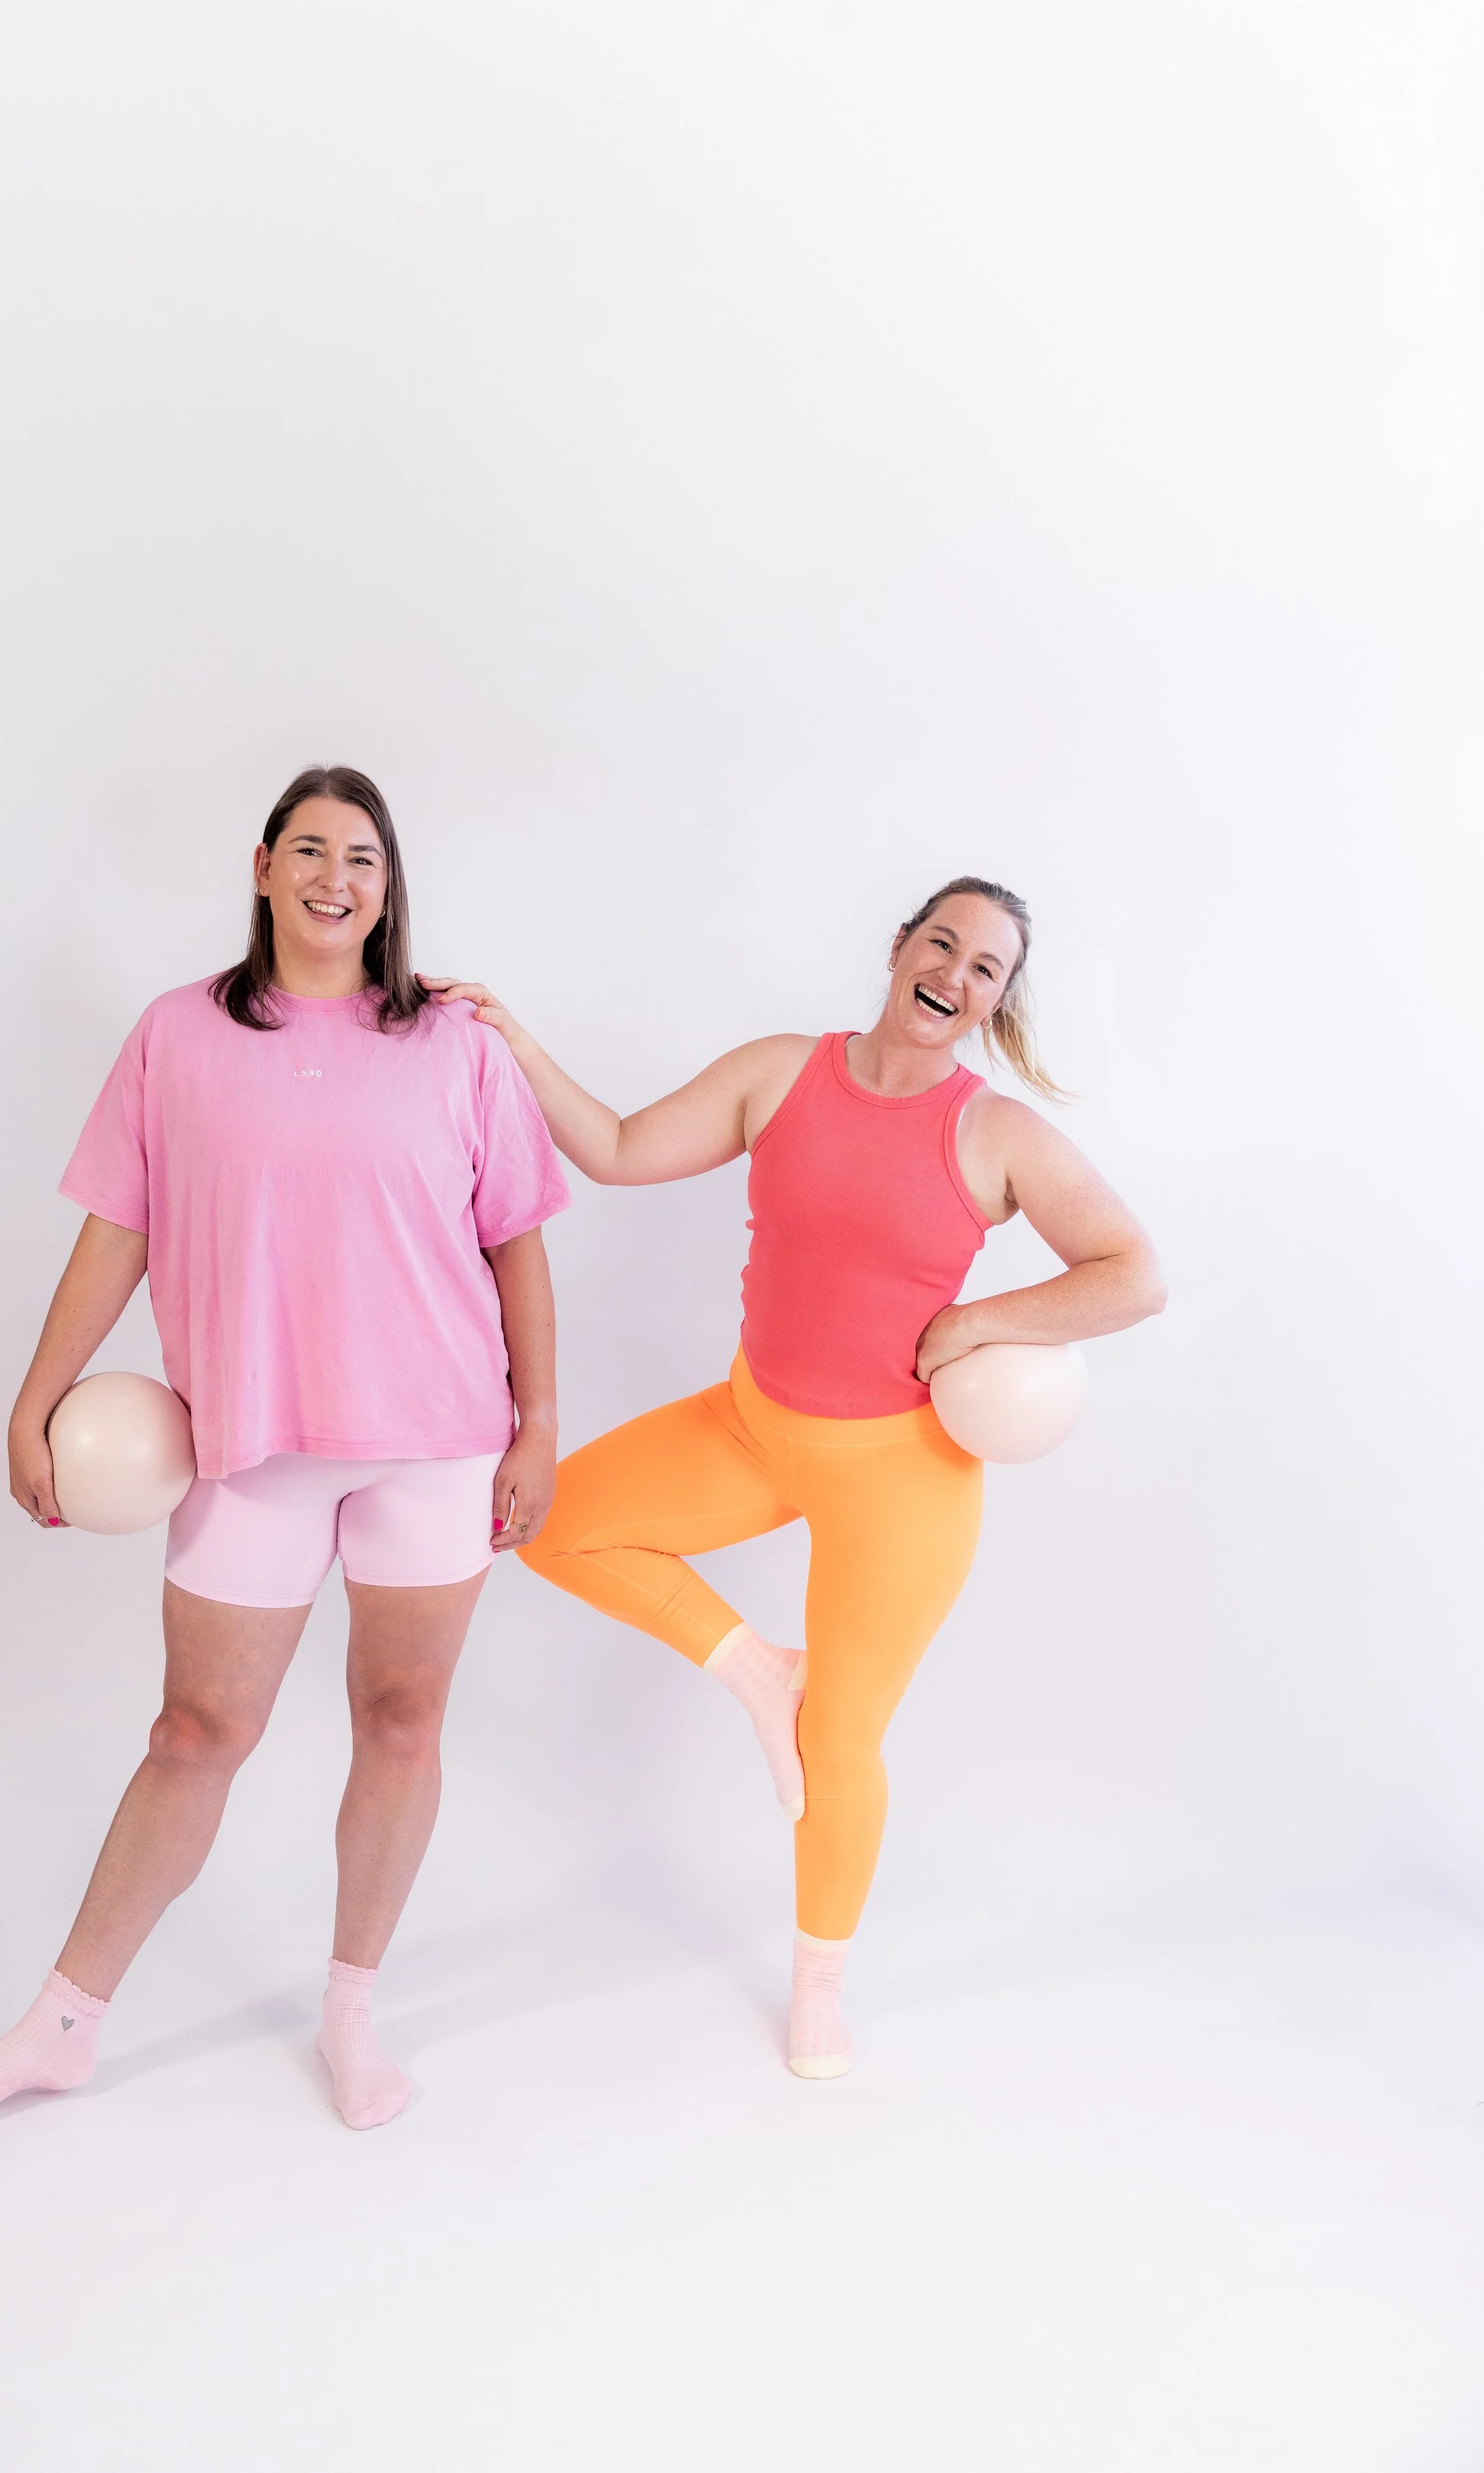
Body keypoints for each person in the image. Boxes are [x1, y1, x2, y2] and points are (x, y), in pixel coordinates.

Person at [0, 766, 567, 2137]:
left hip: (438, 1443)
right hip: (252, 1442)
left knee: (403, 1722)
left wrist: (540, 1427)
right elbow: (119, 1225)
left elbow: (516, 1242)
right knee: (196, 1732)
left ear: (389, 888)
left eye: (364, 858)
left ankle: (351, 2016)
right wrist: (37, 1397)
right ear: (263, 867)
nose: (337, 878)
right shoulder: (178, 1033)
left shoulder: (455, 1045)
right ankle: (60, 2027)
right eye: (310, 850)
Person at [426, 879, 1163, 2079]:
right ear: (901, 947)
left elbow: (1133, 1272)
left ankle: (820, 1987)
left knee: (844, 1743)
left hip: (904, 1479)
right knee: (556, 1527)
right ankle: (760, 1673)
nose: (955, 975)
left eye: (985, 969)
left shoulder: (997, 1135)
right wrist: (513, 1039)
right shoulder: (781, 1073)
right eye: (942, 944)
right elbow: (616, 1150)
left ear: (995, 1000)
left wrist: (978, 1321)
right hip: (751, 1426)